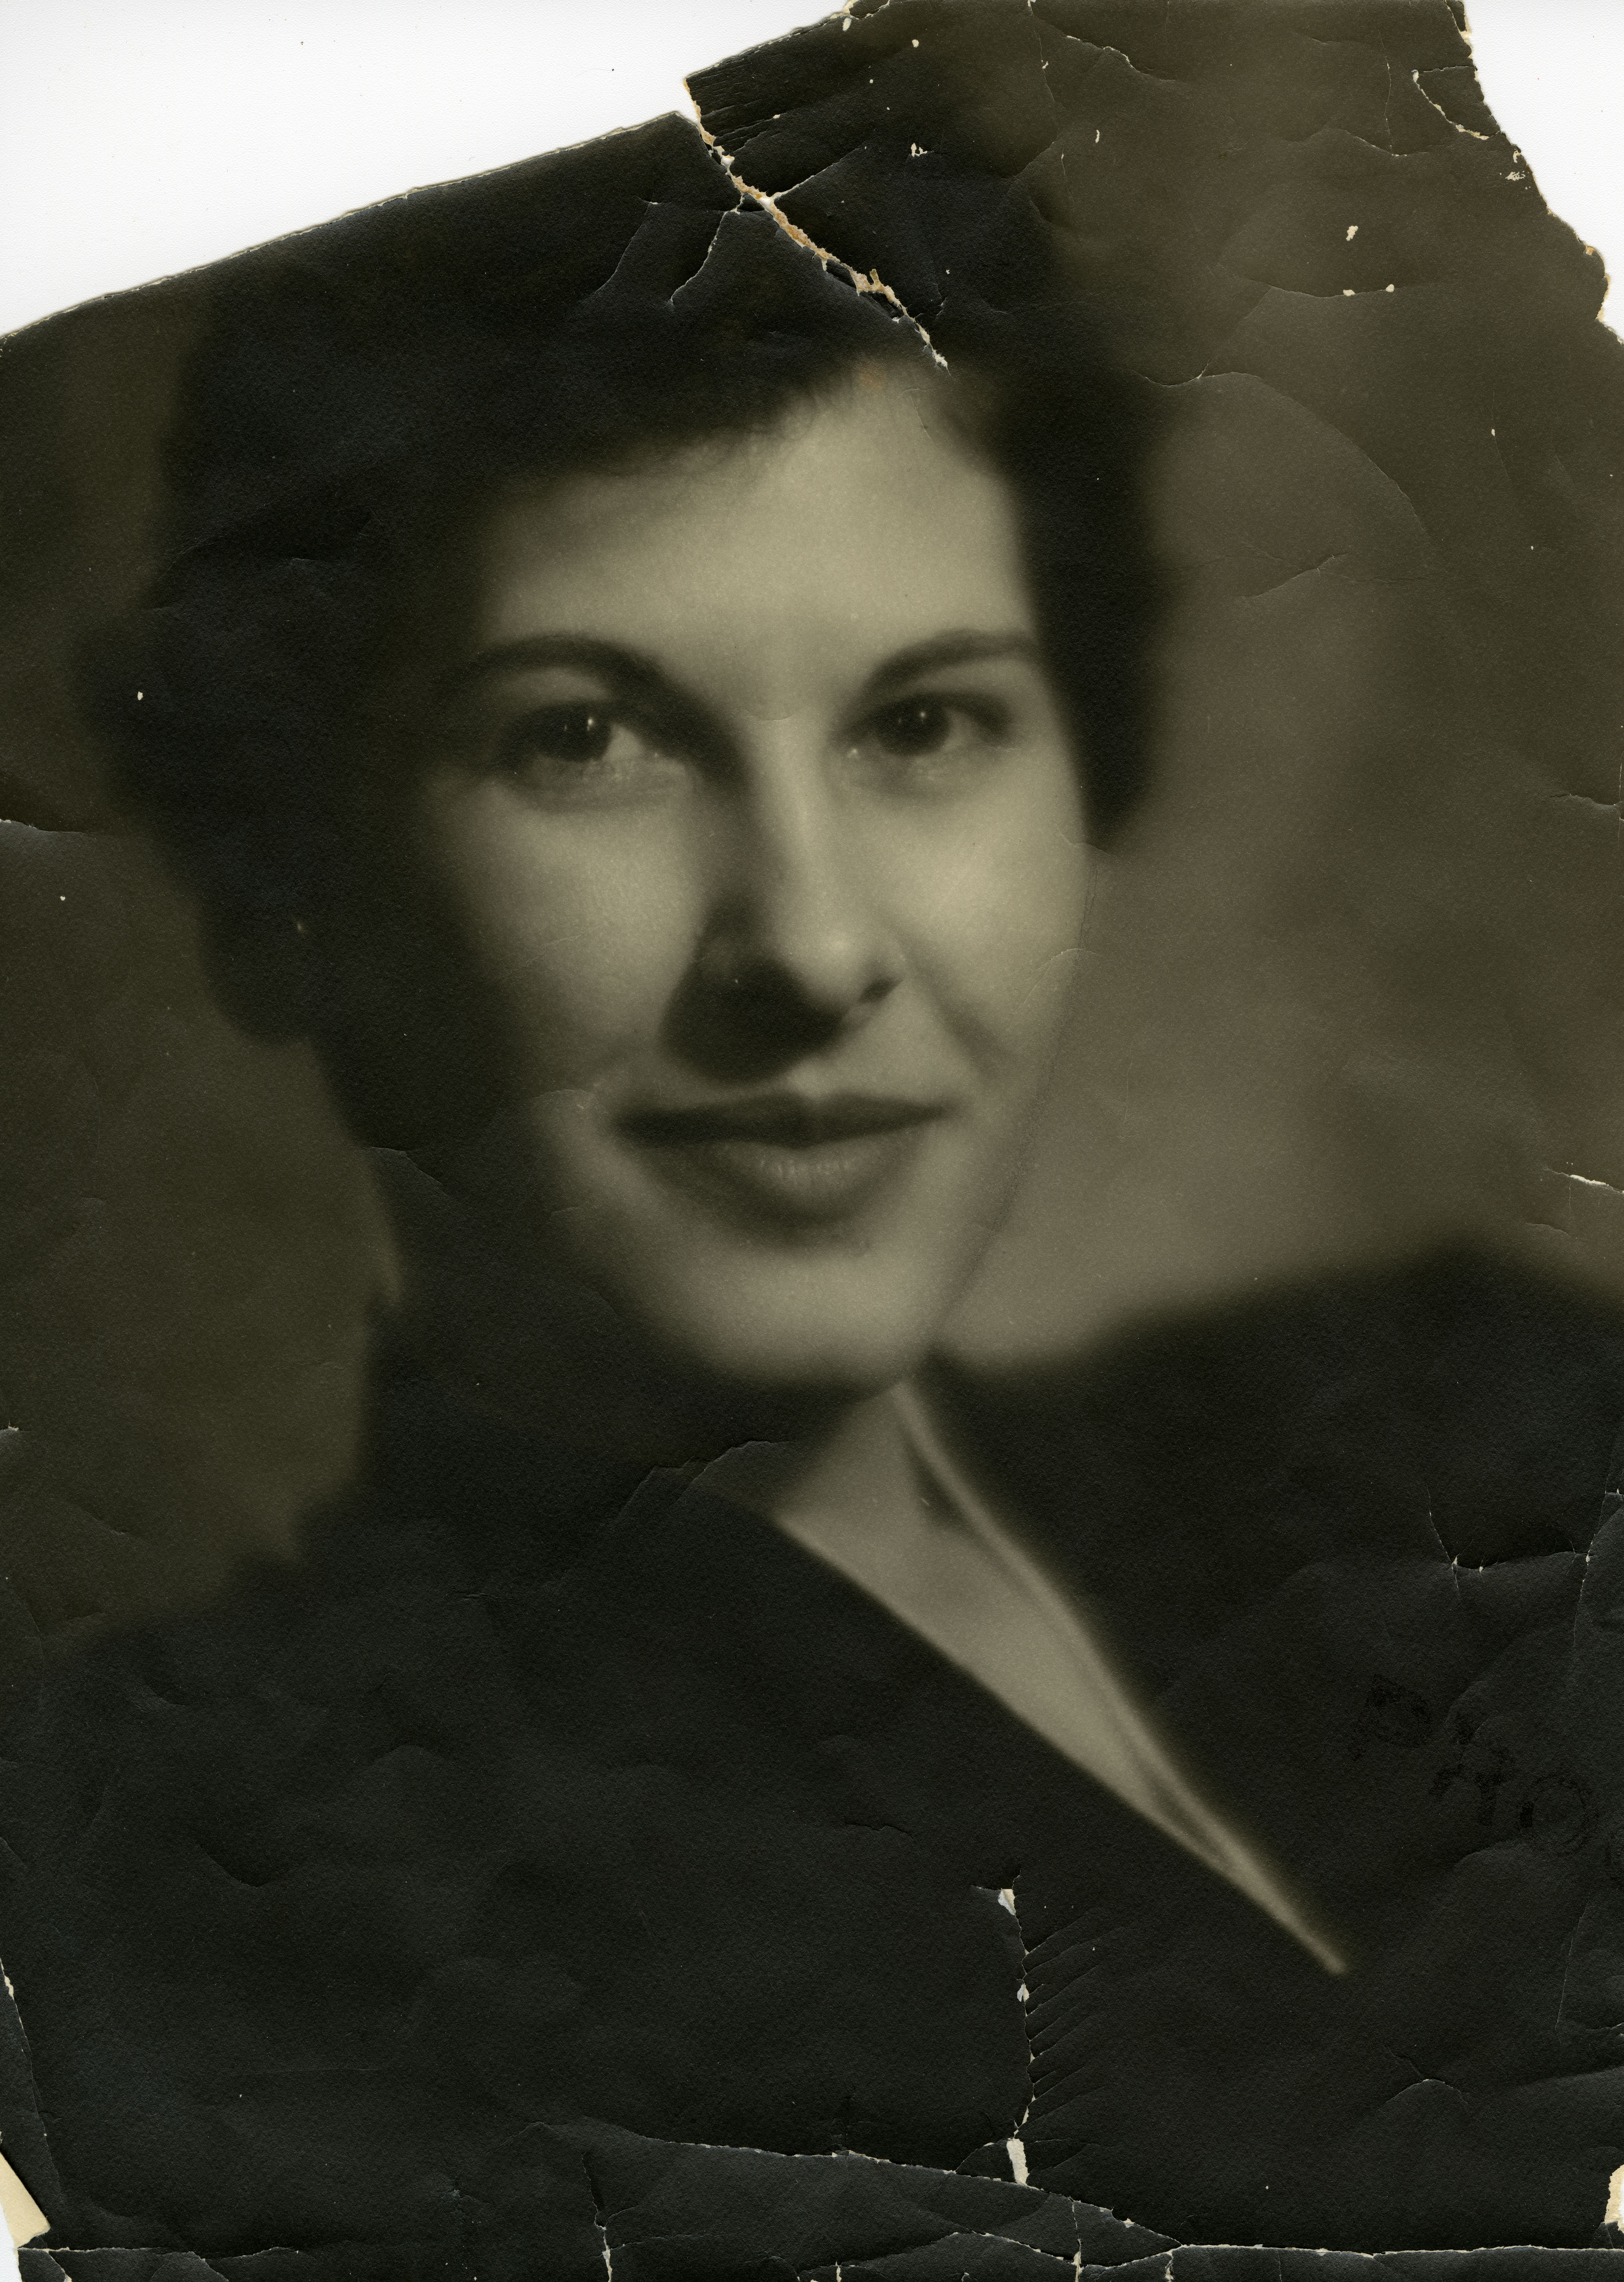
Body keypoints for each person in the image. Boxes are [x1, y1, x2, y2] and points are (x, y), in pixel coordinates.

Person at [1, 101, 1622, 2282]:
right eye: (584, 737)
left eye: (925, 724)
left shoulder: (1490, 1442)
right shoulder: (195, 1867)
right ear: (290, 882)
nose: (811, 946)